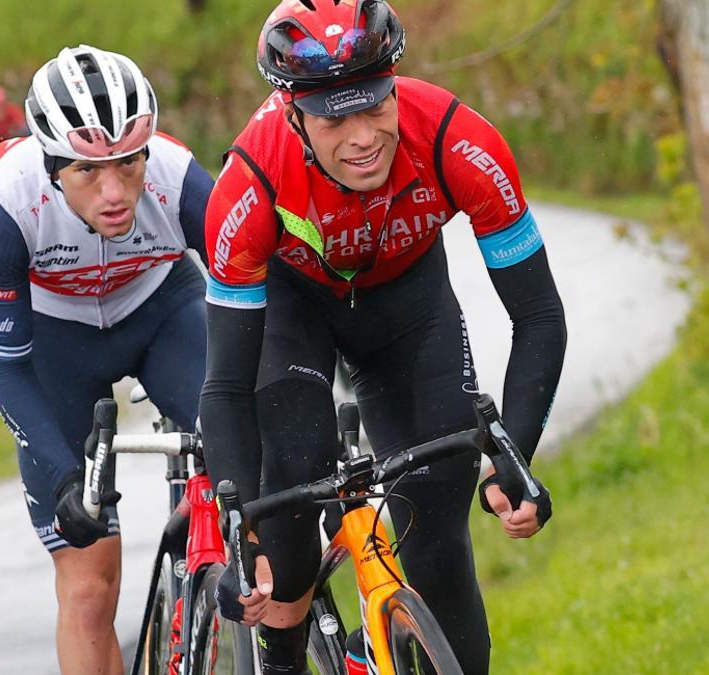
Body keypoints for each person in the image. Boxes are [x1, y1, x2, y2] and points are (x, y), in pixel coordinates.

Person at [199, 1, 567, 674]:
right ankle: (280, 658)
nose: (363, 136)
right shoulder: (250, 182)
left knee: (435, 530)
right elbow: (224, 383)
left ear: (396, 83)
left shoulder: (458, 140)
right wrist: (240, 531)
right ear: (293, 114)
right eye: (335, 118)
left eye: (375, 106)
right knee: (290, 505)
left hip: (408, 305)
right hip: (294, 311)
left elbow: (539, 312)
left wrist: (514, 451)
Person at [0, 45, 214, 674]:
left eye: (129, 164)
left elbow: (263, 305)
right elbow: (5, 365)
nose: (114, 191)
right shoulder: (5, 203)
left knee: (259, 479)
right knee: (87, 585)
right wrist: (61, 479)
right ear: (51, 166)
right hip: (58, 342)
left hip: (163, 312)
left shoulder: (179, 177)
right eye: (86, 171)